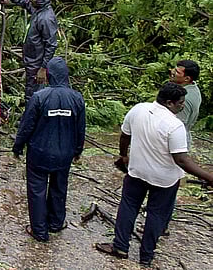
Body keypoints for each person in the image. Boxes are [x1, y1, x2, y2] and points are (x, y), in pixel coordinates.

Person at [95, 82, 213, 267]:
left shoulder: (138, 109)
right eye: (180, 102)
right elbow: (181, 160)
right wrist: (209, 177)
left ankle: (120, 246)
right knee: (156, 214)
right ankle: (146, 256)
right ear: (169, 102)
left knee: (128, 206)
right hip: (164, 179)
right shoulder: (175, 126)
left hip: (137, 171)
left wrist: (123, 155)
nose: (183, 105)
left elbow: (125, 135)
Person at [13, 57, 86, 242]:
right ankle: (55, 223)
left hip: (40, 153)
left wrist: (18, 146)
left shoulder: (40, 97)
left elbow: (27, 125)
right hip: (64, 154)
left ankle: (39, 230)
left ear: (49, 74)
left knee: (37, 189)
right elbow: (80, 128)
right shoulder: (76, 98)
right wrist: (78, 150)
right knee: (59, 187)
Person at [0, 0, 58, 105]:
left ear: (40, 0)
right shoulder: (38, 9)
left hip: (37, 63)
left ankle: (32, 119)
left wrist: (43, 68)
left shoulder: (46, 19)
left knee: (34, 94)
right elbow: (24, 1)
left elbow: (51, 45)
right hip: (32, 60)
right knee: (31, 91)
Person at [170, 60, 202, 148]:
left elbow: (177, 125)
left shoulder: (184, 99)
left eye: (177, 72)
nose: (172, 72)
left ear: (187, 78)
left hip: (177, 141)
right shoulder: (193, 87)